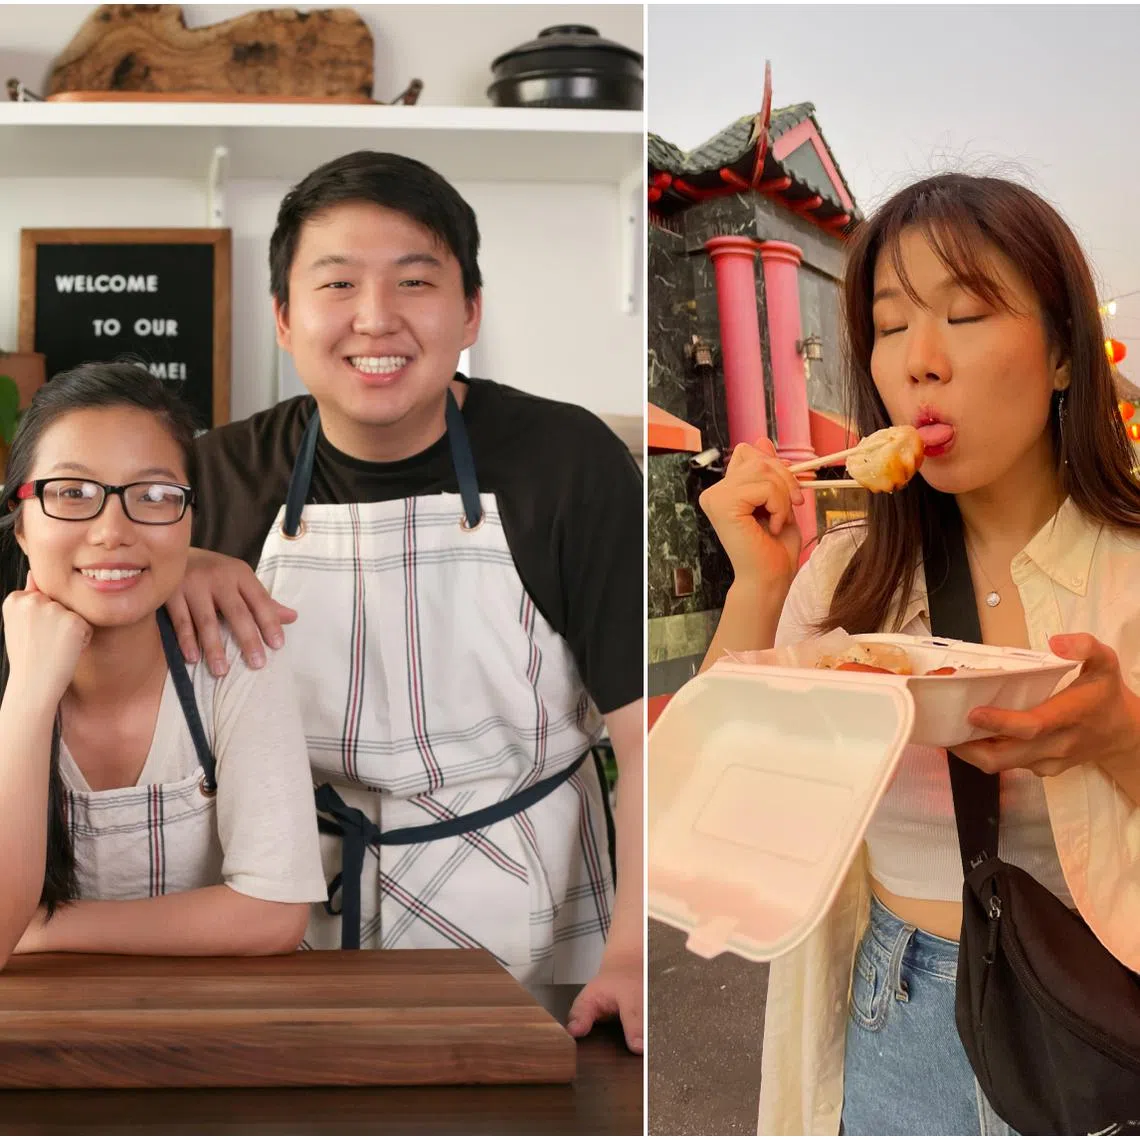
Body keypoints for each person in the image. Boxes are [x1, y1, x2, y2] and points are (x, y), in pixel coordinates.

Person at [159, 151, 644, 1050]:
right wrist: (166, 564)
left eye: (414, 281)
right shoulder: (208, 476)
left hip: (533, 926)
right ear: (283, 317)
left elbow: (651, 740)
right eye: (337, 283)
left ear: (470, 311)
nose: (374, 318)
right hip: (279, 911)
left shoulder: (566, 461)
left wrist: (634, 955)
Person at [697, 173, 1140, 1134]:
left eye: (968, 313)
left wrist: (1121, 741)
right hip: (892, 1015)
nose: (920, 363)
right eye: (891, 326)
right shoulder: (843, 580)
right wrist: (757, 585)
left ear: (1065, 352)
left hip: (1101, 1020)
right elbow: (727, 816)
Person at [0, 363, 328, 970]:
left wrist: (44, 926)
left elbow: (275, 911)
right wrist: (29, 696)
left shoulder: (232, 656)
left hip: (214, 1040)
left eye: (154, 496)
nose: (111, 532)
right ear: (21, 523)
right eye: (72, 493)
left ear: (190, 521)